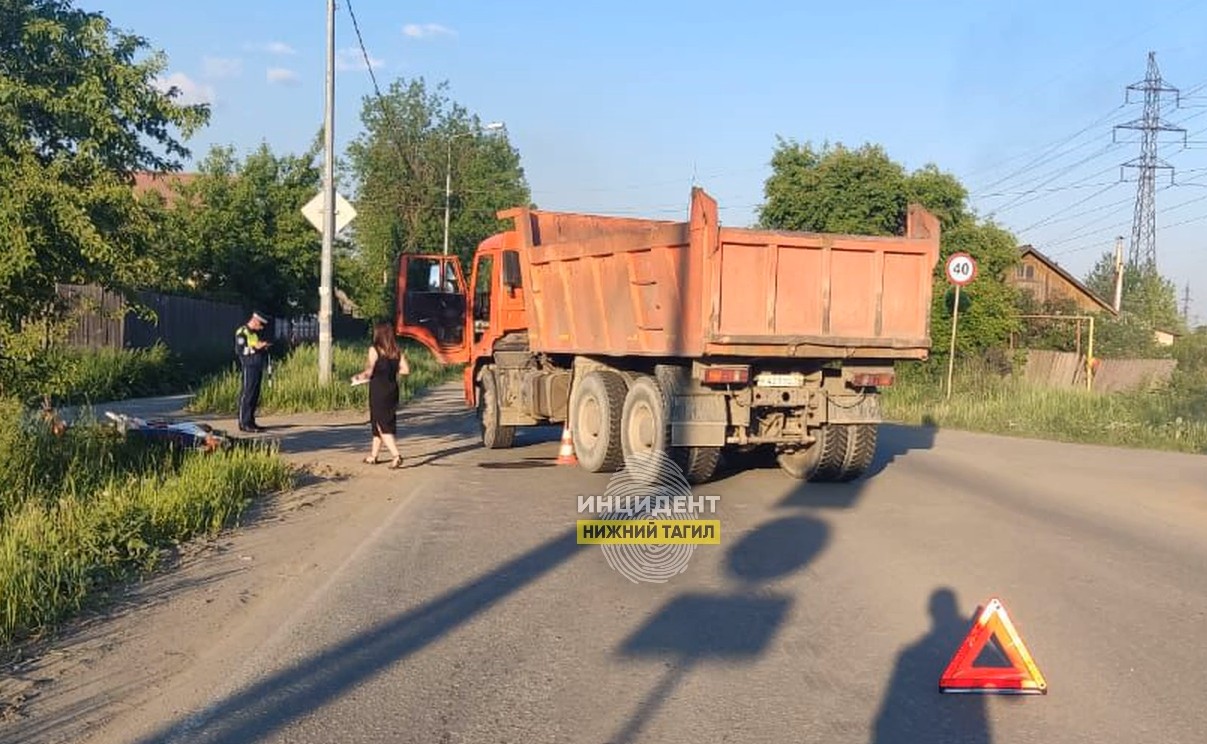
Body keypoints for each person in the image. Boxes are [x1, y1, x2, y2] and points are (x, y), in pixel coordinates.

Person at [352, 321, 410, 468]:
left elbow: (370, 371)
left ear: (378, 334)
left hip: (378, 391)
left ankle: (396, 455)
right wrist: (391, 370)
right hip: (392, 390)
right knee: (380, 422)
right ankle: (373, 456)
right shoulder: (396, 351)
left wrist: (358, 377)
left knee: (381, 424)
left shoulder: (374, 350)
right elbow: (405, 370)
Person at [234, 311, 271, 432]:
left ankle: (251, 421)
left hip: (257, 366)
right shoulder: (242, 332)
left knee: (255, 395)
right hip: (248, 367)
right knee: (247, 395)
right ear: (255, 321)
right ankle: (244, 423)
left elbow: (255, 347)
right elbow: (240, 350)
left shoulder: (254, 334)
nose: (261, 328)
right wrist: (256, 348)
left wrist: (263, 347)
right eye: (260, 325)